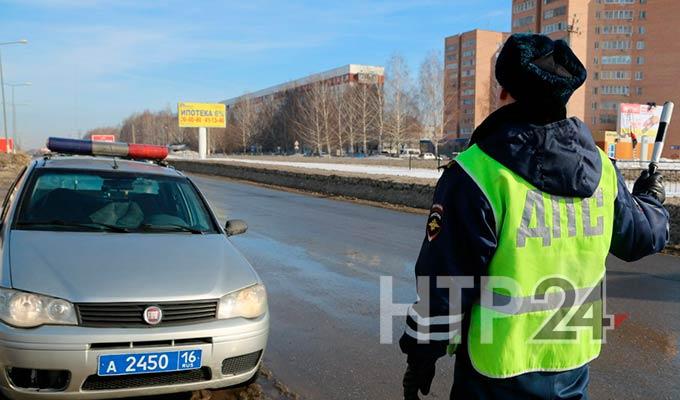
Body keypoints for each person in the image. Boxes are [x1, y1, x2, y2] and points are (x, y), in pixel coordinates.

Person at [399, 33, 669, 400]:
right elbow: (640, 236)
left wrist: (421, 354)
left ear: (503, 93)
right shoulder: (602, 171)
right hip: (571, 364)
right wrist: (650, 200)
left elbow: (444, 282)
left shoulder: (476, 173)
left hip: (496, 373)